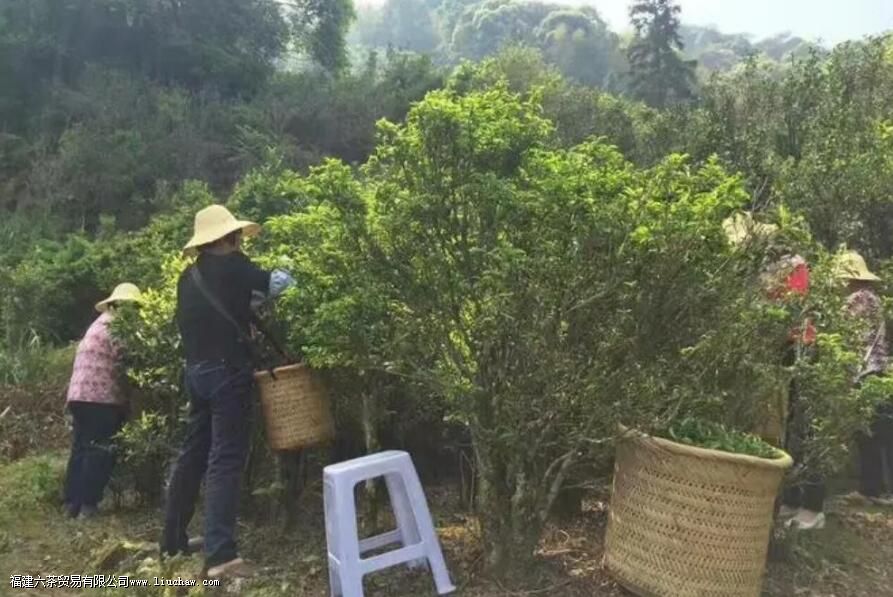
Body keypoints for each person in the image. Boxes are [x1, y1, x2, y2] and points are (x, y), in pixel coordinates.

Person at [161, 205, 294, 579]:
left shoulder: (188, 277)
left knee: (193, 455)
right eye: (236, 235)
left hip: (196, 372)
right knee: (226, 458)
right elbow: (279, 284)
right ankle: (220, 555)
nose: (239, 241)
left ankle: (171, 541)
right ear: (227, 237)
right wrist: (290, 271)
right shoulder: (236, 266)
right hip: (226, 372)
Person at [63, 283, 143, 519]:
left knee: (81, 448)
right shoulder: (117, 326)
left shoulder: (97, 324)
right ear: (124, 306)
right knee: (100, 449)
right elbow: (126, 363)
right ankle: (88, 505)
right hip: (101, 398)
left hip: (79, 395)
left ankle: (72, 503)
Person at [836, 251, 893, 505]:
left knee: (873, 432)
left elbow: (843, 331)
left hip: (865, 371)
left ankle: (877, 490)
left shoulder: (858, 298)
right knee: (875, 433)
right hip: (876, 371)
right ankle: (874, 489)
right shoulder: (875, 299)